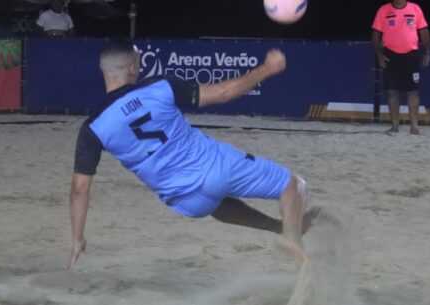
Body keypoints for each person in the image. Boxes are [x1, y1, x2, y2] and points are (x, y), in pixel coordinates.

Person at [67, 40, 318, 270]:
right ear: (132, 68)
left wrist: (78, 237)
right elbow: (223, 93)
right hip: (215, 167)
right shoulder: (159, 86)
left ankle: (278, 227)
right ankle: (294, 240)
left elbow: (80, 188)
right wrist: (267, 68)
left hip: (187, 202)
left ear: (104, 72)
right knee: (293, 185)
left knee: (217, 204)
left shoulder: (93, 127)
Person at [371, 0, 430, 135]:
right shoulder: (383, 10)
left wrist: (427, 52)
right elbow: (375, 35)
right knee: (392, 92)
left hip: (411, 55)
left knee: (413, 92)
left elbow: (424, 32)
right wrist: (379, 55)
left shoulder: (415, 9)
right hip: (390, 56)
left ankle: (414, 127)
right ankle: (395, 126)